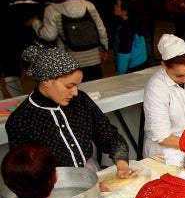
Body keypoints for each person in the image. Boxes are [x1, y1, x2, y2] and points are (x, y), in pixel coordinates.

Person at [6, 45, 130, 177]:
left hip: (90, 174)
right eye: (69, 86)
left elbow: (109, 135)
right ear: (46, 80)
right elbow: (25, 171)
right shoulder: (20, 120)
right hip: (53, 185)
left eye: (77, 85)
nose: (75, 92)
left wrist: (122, 163)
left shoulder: (81, 101)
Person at [28, 0, 109, 82]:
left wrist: (35, 23)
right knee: (97, 90)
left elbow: (49, 35)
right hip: (93, 57)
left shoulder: (51, 9)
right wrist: (104, 48)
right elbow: (101, 29)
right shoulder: (89, 5)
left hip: (70, 59)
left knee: (75, 91)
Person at [111, 0, 149, 75]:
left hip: (132, 69)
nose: (114, 6)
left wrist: (120, 74)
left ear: (124, 12)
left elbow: (124, 54)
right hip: (142, 65)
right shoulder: (137, 24)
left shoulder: (126, 29)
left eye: (117, 5)